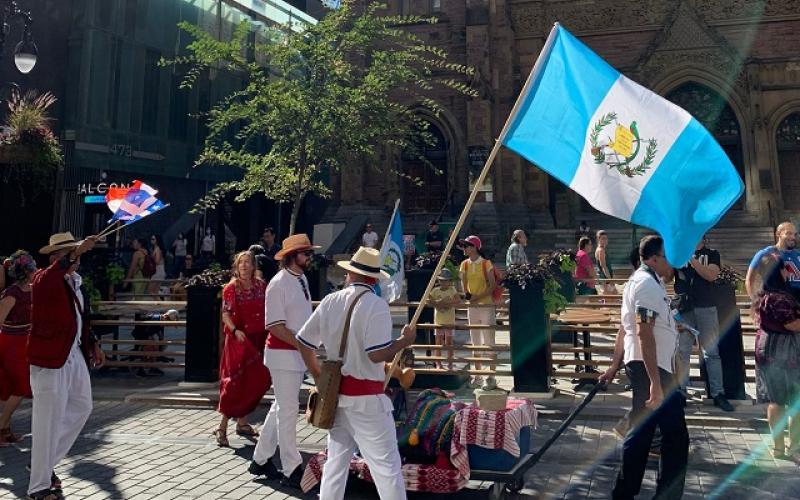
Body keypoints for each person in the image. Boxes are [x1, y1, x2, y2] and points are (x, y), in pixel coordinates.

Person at [296, 247, 416, 500]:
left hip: (336, 397)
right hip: (367, 403)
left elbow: (304, 342)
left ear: (350, 274)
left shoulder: (330, 300)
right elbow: (376, 354)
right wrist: (404, 341)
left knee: (336, 464)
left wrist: (318, 377)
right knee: (387, 469)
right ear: (373, 279)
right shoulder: (376, 305)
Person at [27, 232, 105, 500]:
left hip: (72, 354)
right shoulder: (43, 279)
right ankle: (38, 486)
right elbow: (47, 279)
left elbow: (80, 317)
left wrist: (92, 342)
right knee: (47, 421)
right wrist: (75, 253)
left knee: (83, 406)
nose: (77, 259)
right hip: (50, 357)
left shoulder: (74, 281)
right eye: (69, 254)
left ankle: (43, 464)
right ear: (55, 258)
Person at [611, 235, 688, 500]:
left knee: (644, 433)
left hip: (652, 367)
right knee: (673, 436)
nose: (673, 264)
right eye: (669, 258)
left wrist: (613, 365)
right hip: (651, 369)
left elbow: (631, 329)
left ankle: (625, 493)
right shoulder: (646, 285)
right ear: (654, 258)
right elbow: (643, 332)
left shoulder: (646, 283)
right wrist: (655, 382)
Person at [249, 234, 319, 488]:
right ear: (292, 256)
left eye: (309, 253)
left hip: (294, 354)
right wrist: (303, 345)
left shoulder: (301, 278)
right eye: (305, 253)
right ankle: (291, 467)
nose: (309, 257)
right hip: (283, 355)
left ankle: (260, 458)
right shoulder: (278, 283)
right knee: (288, 411)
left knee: (282, 407)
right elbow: (275, 326)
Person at [215, 252, 272, 447]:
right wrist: (235, 330)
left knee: (256, 379)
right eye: (242, 263)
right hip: (239, 340)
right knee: (234, 383)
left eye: (248, 263)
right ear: (237, 267)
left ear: (254, 266)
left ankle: (242, 422)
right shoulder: (231, 288)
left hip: (259, 338)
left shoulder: (261, 286)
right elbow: (225, 314)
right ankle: (222, 427)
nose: (245, 266)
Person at [673, 236, 733, 411]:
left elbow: (711, 275)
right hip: (684, 309)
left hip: (706, 306)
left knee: (711, 352)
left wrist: (691, 259)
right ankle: (681, 391)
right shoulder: (679, 254)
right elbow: (669, 275)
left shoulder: (712, 254)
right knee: (682, 351)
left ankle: (717, 393)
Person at [752, 253, 800, 461]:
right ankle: (794, 447)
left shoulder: (763, 295)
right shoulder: (779, 298)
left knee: (776, 400)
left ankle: (779, 448)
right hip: (784, 352)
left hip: (768, 350)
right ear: (779, 271)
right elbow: (792, 325)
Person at [0, 251, 36, 446]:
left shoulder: (33, 290)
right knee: (21, 387)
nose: (37, 271)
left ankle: (5, 430)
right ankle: (0, 427)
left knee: (14, 388)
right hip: (11, 343)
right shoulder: (12, 294)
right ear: (27, 272)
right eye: (33, 269)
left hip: (25, 342)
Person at [459, 235, 496, 390]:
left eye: (467, 245)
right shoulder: (464, 264)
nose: (464, 248)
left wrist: (477, 298)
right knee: (475, 341)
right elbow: (463, 285)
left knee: (489, 341)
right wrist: (469, 298)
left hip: (486, 305)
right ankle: (477, 375)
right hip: (473, 306)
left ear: (474, 247)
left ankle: (491, 376)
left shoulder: (486, 263)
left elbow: (493, 285)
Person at [746, 221, 799, 299]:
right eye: (789, 233)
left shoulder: (798, 254)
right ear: (778, 234)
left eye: (795, 234)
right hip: (777, 304)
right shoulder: (765, 254)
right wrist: (756, 302)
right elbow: (750, 280)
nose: (793, 237)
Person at [127, 309, 179, 377]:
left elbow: (158, 333)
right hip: (140, 334)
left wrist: (161, 342)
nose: (168, 324)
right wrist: (152, 341)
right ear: (166, 316)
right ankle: (141, 369)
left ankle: (152, 367)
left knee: (155, 348)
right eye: (169, 321)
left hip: (145, 335)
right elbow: (146, 331)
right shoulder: (156, 319)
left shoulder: (161, 320)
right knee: (150, 348)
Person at [428, 268, 461, 370]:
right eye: (441, 280)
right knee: (438, 342)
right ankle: (438, 362)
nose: (444, 282)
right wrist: (437, 303)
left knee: (449, 342)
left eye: (446, 280)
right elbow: (428, 299)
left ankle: (450, 362)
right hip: (439, 320)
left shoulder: (452, 290)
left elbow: (458, 300)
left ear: (450, 281)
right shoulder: (435, 290)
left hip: (449, 320)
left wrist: (447, 303)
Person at [595, 230, 615, 294]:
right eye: (603, 238)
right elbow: (603, 266)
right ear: (598, 239)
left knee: (610, 298)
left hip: (604, 278)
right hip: (605, 279)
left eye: (606, 238)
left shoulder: (601, 249)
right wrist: (610, 280)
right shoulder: (601, 250)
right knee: (611, 298)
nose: (605, 240)